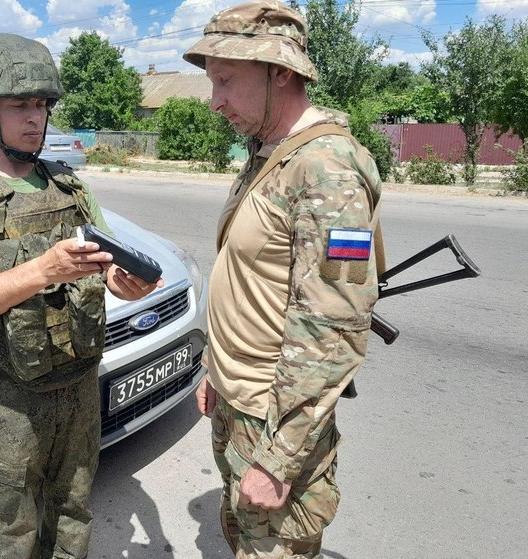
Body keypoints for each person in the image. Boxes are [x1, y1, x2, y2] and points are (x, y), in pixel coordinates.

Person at [0, 33, 162, 559]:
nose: (35, 118)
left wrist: (123, 283)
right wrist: (41, 270)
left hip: (79, 386)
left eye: (41, 105)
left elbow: (105, 265)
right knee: (18, 527)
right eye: (20, 106)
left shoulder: (71, 188)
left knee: (74, 509)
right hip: (11, 400)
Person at [183, 3, 384, 558]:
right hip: (237, 399)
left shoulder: (327, 169)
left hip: (274, 422)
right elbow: (253, 281)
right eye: (212, 82)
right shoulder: (270, 153)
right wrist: (216, 370)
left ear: (282, 73)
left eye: (226, 80)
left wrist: (279, 460)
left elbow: (333, 330)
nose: (215, 100)